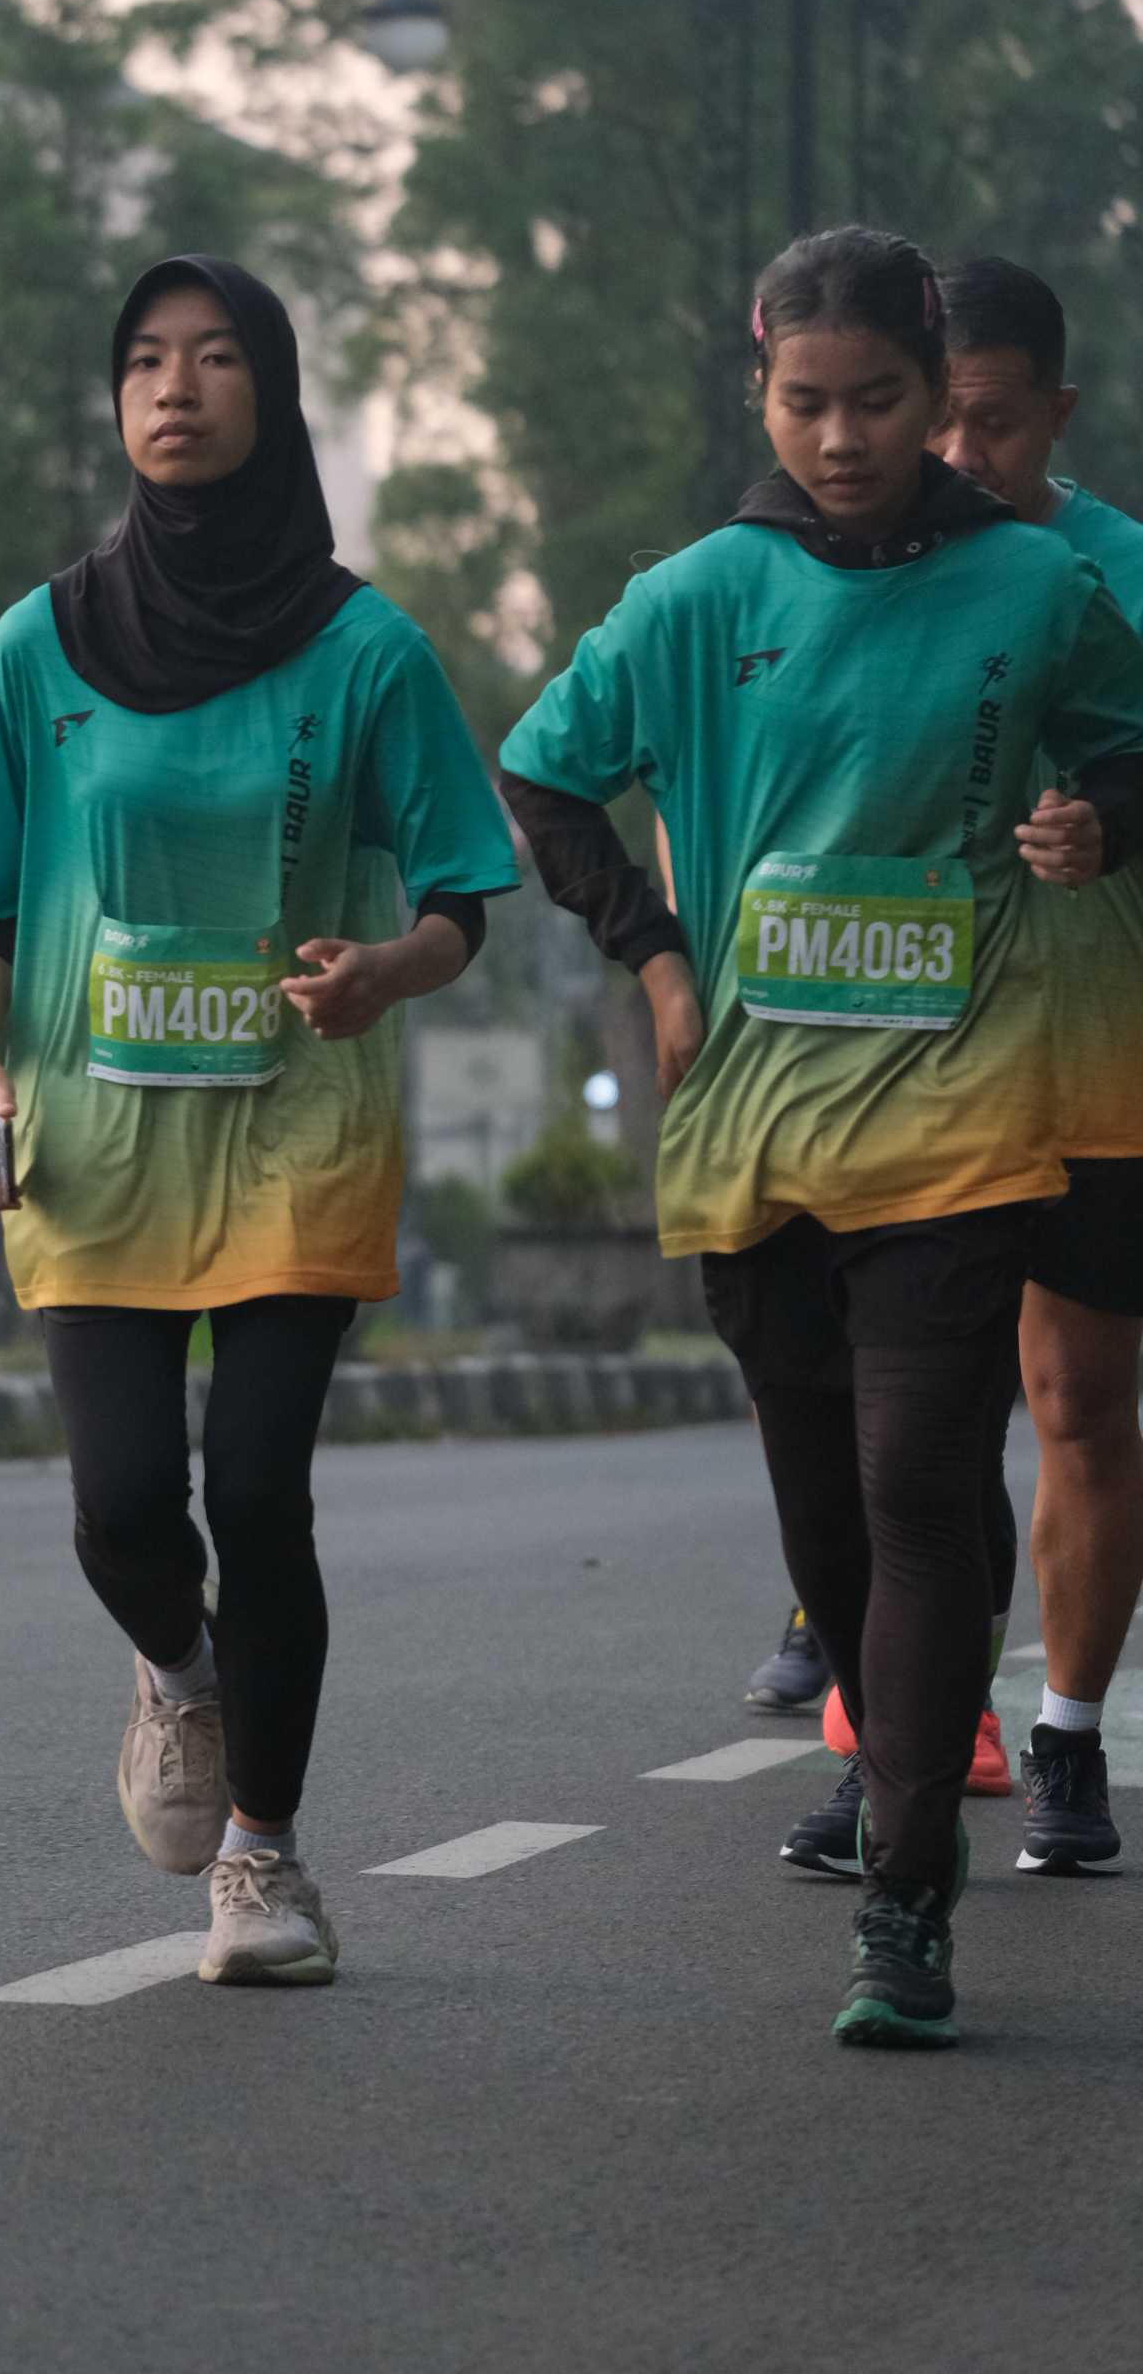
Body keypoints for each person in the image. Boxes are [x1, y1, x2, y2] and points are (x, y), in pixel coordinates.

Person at [498, 226, 1143, 2048]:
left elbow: (1133, 743)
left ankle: (907, 1898)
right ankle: (902, 1757)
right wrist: (656, 953)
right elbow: (543, 771)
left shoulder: (1034, 584)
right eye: (807, 403)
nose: (843, 437)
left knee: (921, 1482)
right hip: (754, 1128)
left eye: (878, 401)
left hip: (961, 1112)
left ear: (938, 398)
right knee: (831, 1519)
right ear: (763, 392)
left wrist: (1100, 819)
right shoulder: (699, 593)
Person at [0, 254, 516, 1987]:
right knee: (125, 1504)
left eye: (212, 358)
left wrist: (389, 971)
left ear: (271, 391)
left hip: (295, 1132)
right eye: (144, 359)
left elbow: (462, 893)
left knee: (258, 1492)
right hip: (94, 1138)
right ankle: (180, 1672)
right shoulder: (33, 647)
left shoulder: (367, 650)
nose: (174, 388)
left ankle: (263, 1860)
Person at [930, 257, 1143, 1873]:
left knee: (1076, 1398)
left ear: (1056, 414)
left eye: (992, 424)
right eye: (929, 421)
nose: (957, 457)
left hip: (1093, 1052)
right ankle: (909, 1743)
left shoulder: (1119, 572)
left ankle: (1067, 1736)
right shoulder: (844, 572)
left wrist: (1109, 826)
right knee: (913, 1418)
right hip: (902, 1063)